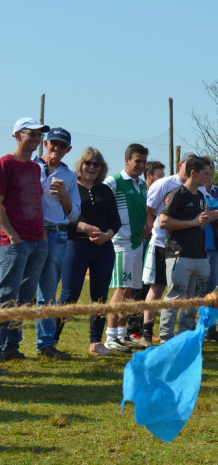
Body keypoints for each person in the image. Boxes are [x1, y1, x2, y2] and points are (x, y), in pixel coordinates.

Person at [55, 148, 120, 356]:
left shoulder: (105, 190)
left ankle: (95, 342)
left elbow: (115, 221)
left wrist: (106, 236)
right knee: (69, 296)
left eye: (96, 164)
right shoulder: (70, 187)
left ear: (101, 168)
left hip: (104, 247)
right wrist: (81, 226)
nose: (91, 167)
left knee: (100, 296)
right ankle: (51, 341)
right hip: (76, 245)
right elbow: (60, 218)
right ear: (81, 164)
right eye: (88, 163)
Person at [0, 119, 51, 372]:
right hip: (14, 243)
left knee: (23, 300)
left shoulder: (34, 167)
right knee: (5, 298)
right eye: (31, 133)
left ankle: (11, 348)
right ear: (17, 135)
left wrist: (41, 235)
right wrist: (11, 235)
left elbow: (37, 203)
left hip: (36, 242)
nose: (36, 138)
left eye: (39, 134)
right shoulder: (4, 163)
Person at [33, 127, 81, 361]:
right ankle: (8, 346)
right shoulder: (29, 167)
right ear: (45, 143)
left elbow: (74, 216)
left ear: (68, 150)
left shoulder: (69, 176)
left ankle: (45, 344)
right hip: (28, 234)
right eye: (53, 143)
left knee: (48, 293)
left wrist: (64, 197)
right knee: (18, 292)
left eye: (62, 146)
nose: (57, 148)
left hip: (57, 235)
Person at [142, 152, 198, 345]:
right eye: (188, 164)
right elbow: (149, 209)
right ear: (179, 165)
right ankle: (146, 332)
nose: (192, 169)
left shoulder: (197, 188)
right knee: (158, 287)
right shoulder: (164, 184)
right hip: (161, 243)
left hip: (184, 247)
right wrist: (154, 231)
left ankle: (179, 334)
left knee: (180, 290)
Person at [102, 144, 149, 353]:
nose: (141, 165)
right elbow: (99, 202)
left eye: (144, 161)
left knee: (129, 291)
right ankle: (110, 336)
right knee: (121, 290)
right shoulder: (114, 181)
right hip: (121, 243)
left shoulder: (142, 184)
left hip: (137, 242)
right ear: (127, 160)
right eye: (137, 161)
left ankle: (121, 334)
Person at [158, 157, 212, 339]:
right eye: (205, 172)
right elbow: (163, 221)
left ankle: (185, 339)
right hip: (179, 256)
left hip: (200, 257)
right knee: (174, 299)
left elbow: (198, 222)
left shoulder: (200, 196)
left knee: (194, 302)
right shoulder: (177, 194)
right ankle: (166, 339)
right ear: (193, 173)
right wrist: (192, 222)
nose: (208, 175)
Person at [128, 160, 166, 343]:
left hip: (151, 242)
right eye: (159, 176)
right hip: (140, 242)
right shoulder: (143, 192)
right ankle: (133, 329)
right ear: (149, 176)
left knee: (147, 287)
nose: (162, 180)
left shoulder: (158, 194)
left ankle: (144, 329)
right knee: (137, 287)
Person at [199, 157, 218, 343]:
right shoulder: (195, 191)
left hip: (215, 248)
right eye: (205, 171)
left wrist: (213, 214)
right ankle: (197, 329)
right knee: (197, 291)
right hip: (199, 248)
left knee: (212, 290)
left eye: (211, 171)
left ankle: (210, 329)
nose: (208, 174)